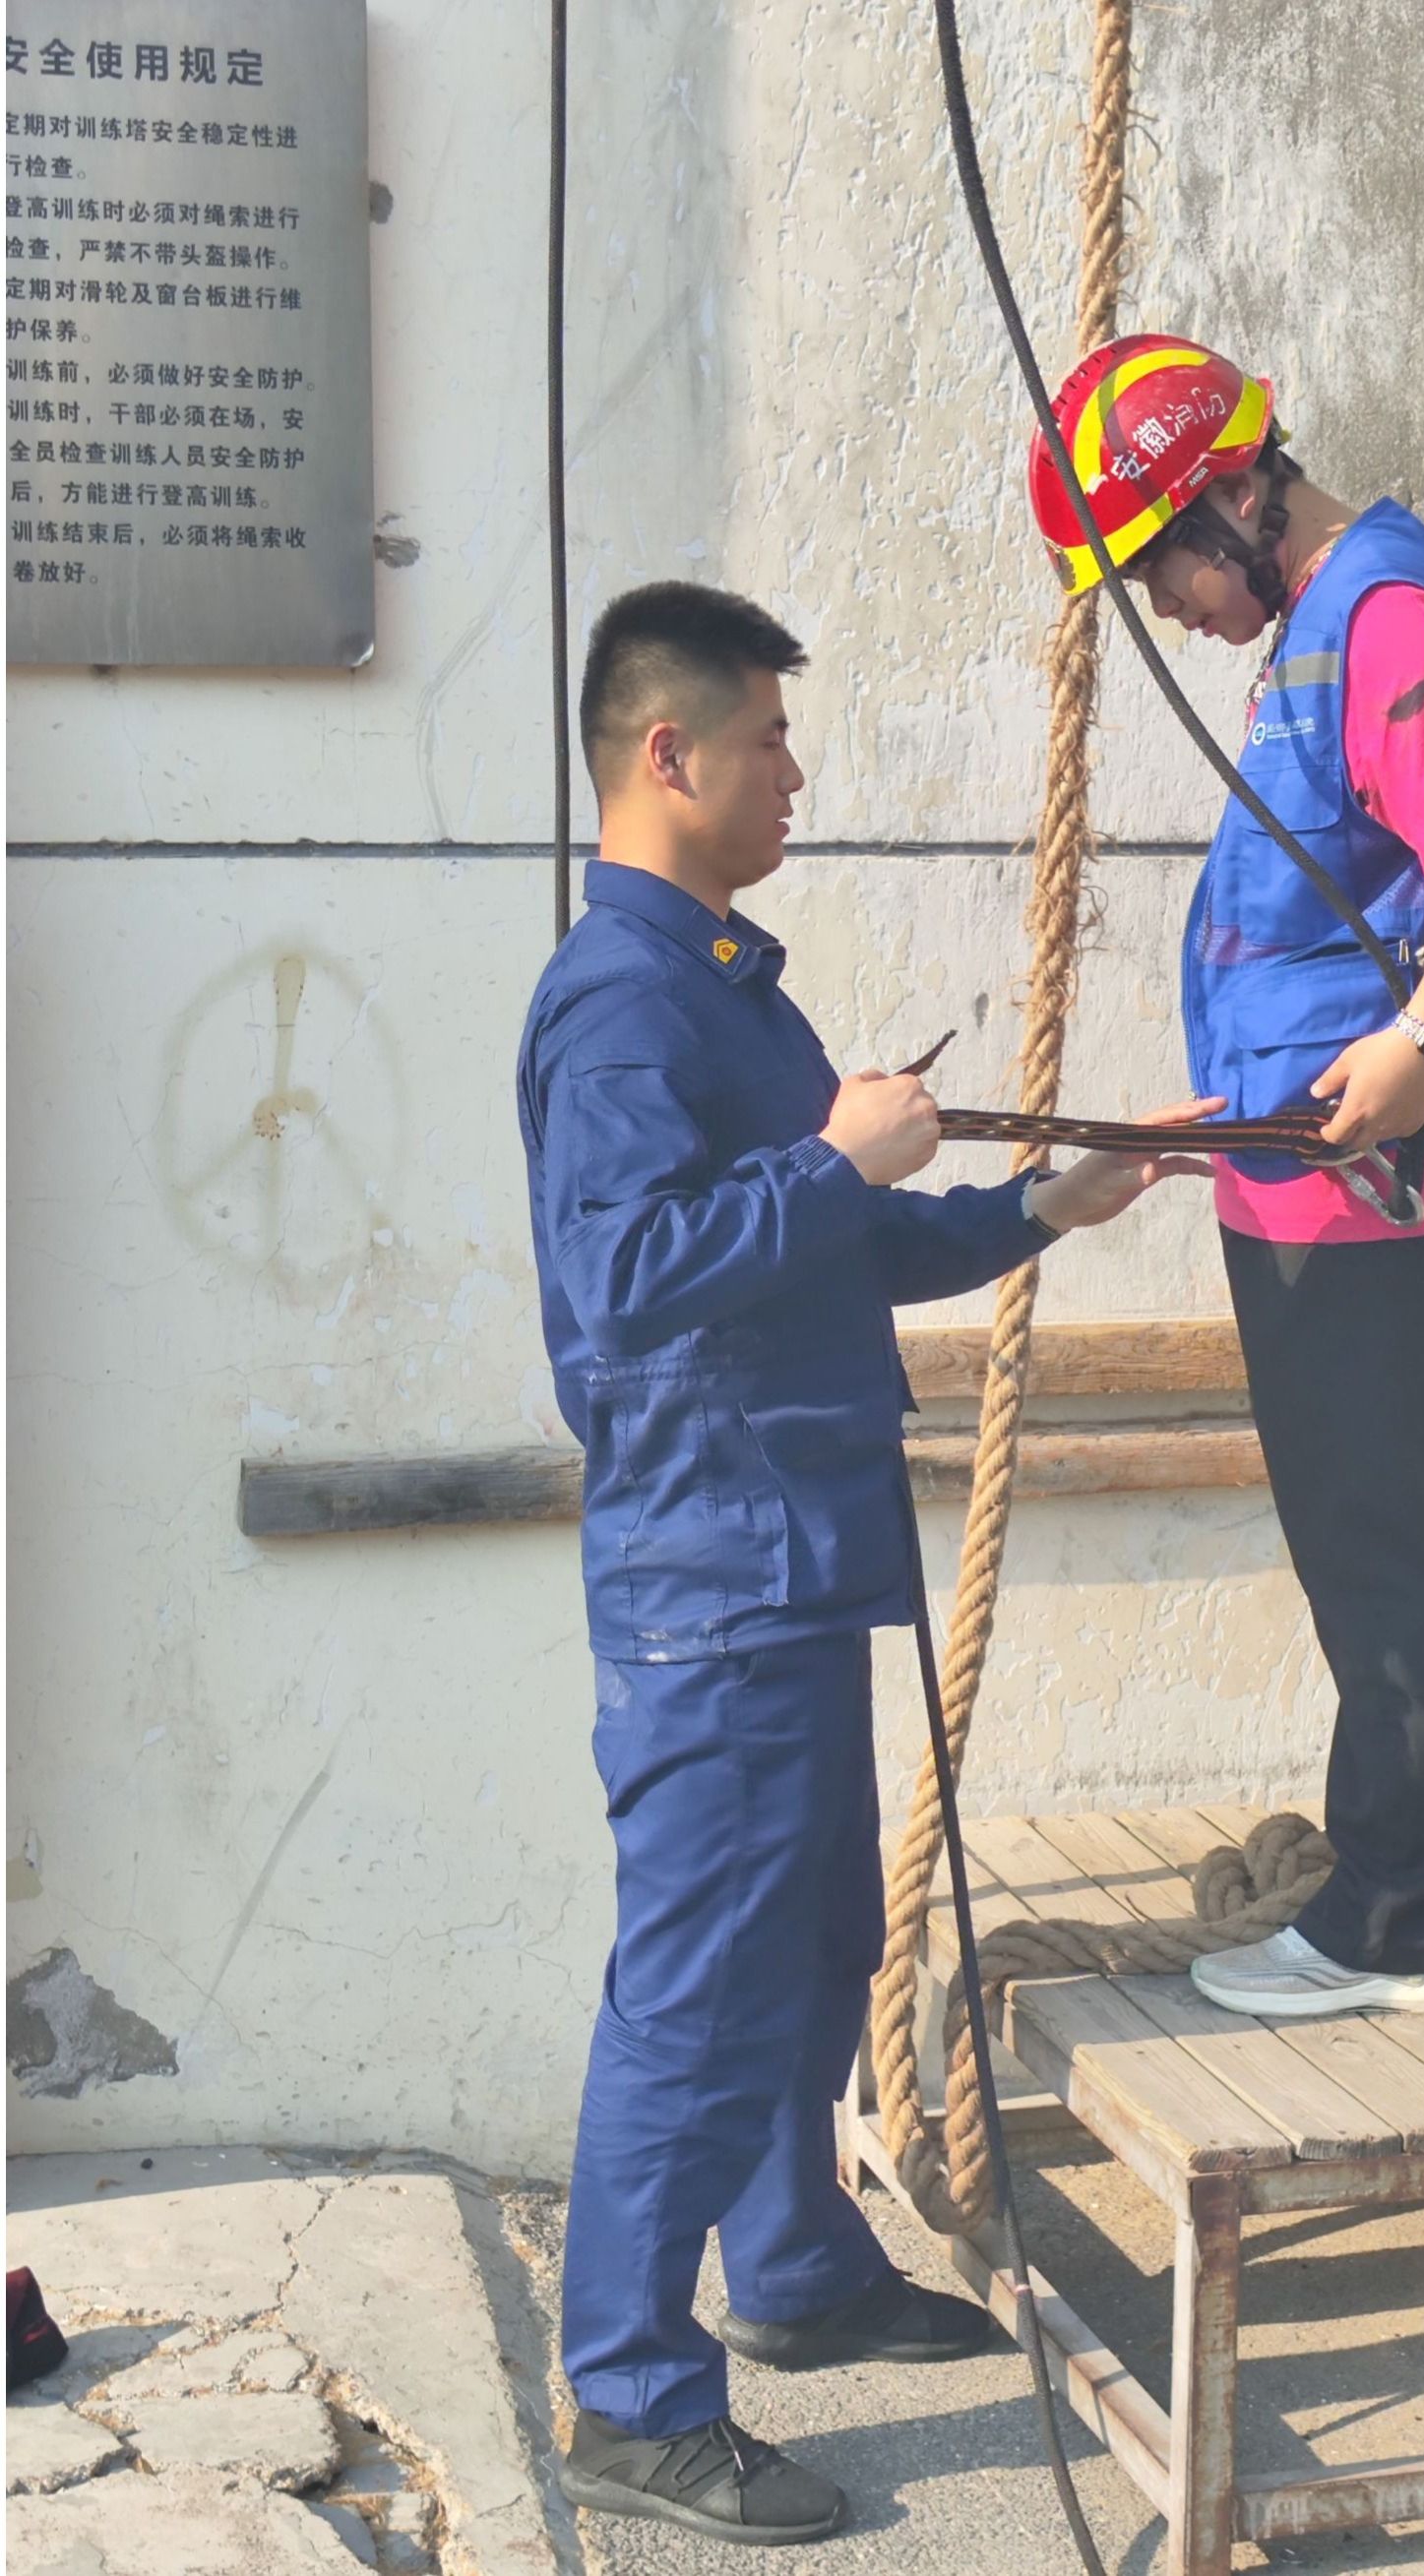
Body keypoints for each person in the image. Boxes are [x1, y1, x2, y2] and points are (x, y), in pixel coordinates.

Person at [518, 579, 1212, 2544]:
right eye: (768, 740)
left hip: (791, 1555)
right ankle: (629, 2395)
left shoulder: (726, 988)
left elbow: (834, 1236)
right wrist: (837, 1159)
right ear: (669, 753)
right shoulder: (621, 998)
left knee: (819, 1937)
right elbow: (626, 1274)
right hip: (710, 1572)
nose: (795, 775)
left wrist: (1043, 1201)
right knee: (696, 1988)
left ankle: (797, 2266)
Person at [1025, 335, 1424, 2022]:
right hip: (1331, 1172)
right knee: (1389, 1521)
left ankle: (1393, 1922)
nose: (1169, 612)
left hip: (1365, 1185)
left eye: (1160, 569)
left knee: (1378, 1541)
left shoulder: (1375, 615)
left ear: (1232, 493)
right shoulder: (1359, 604)